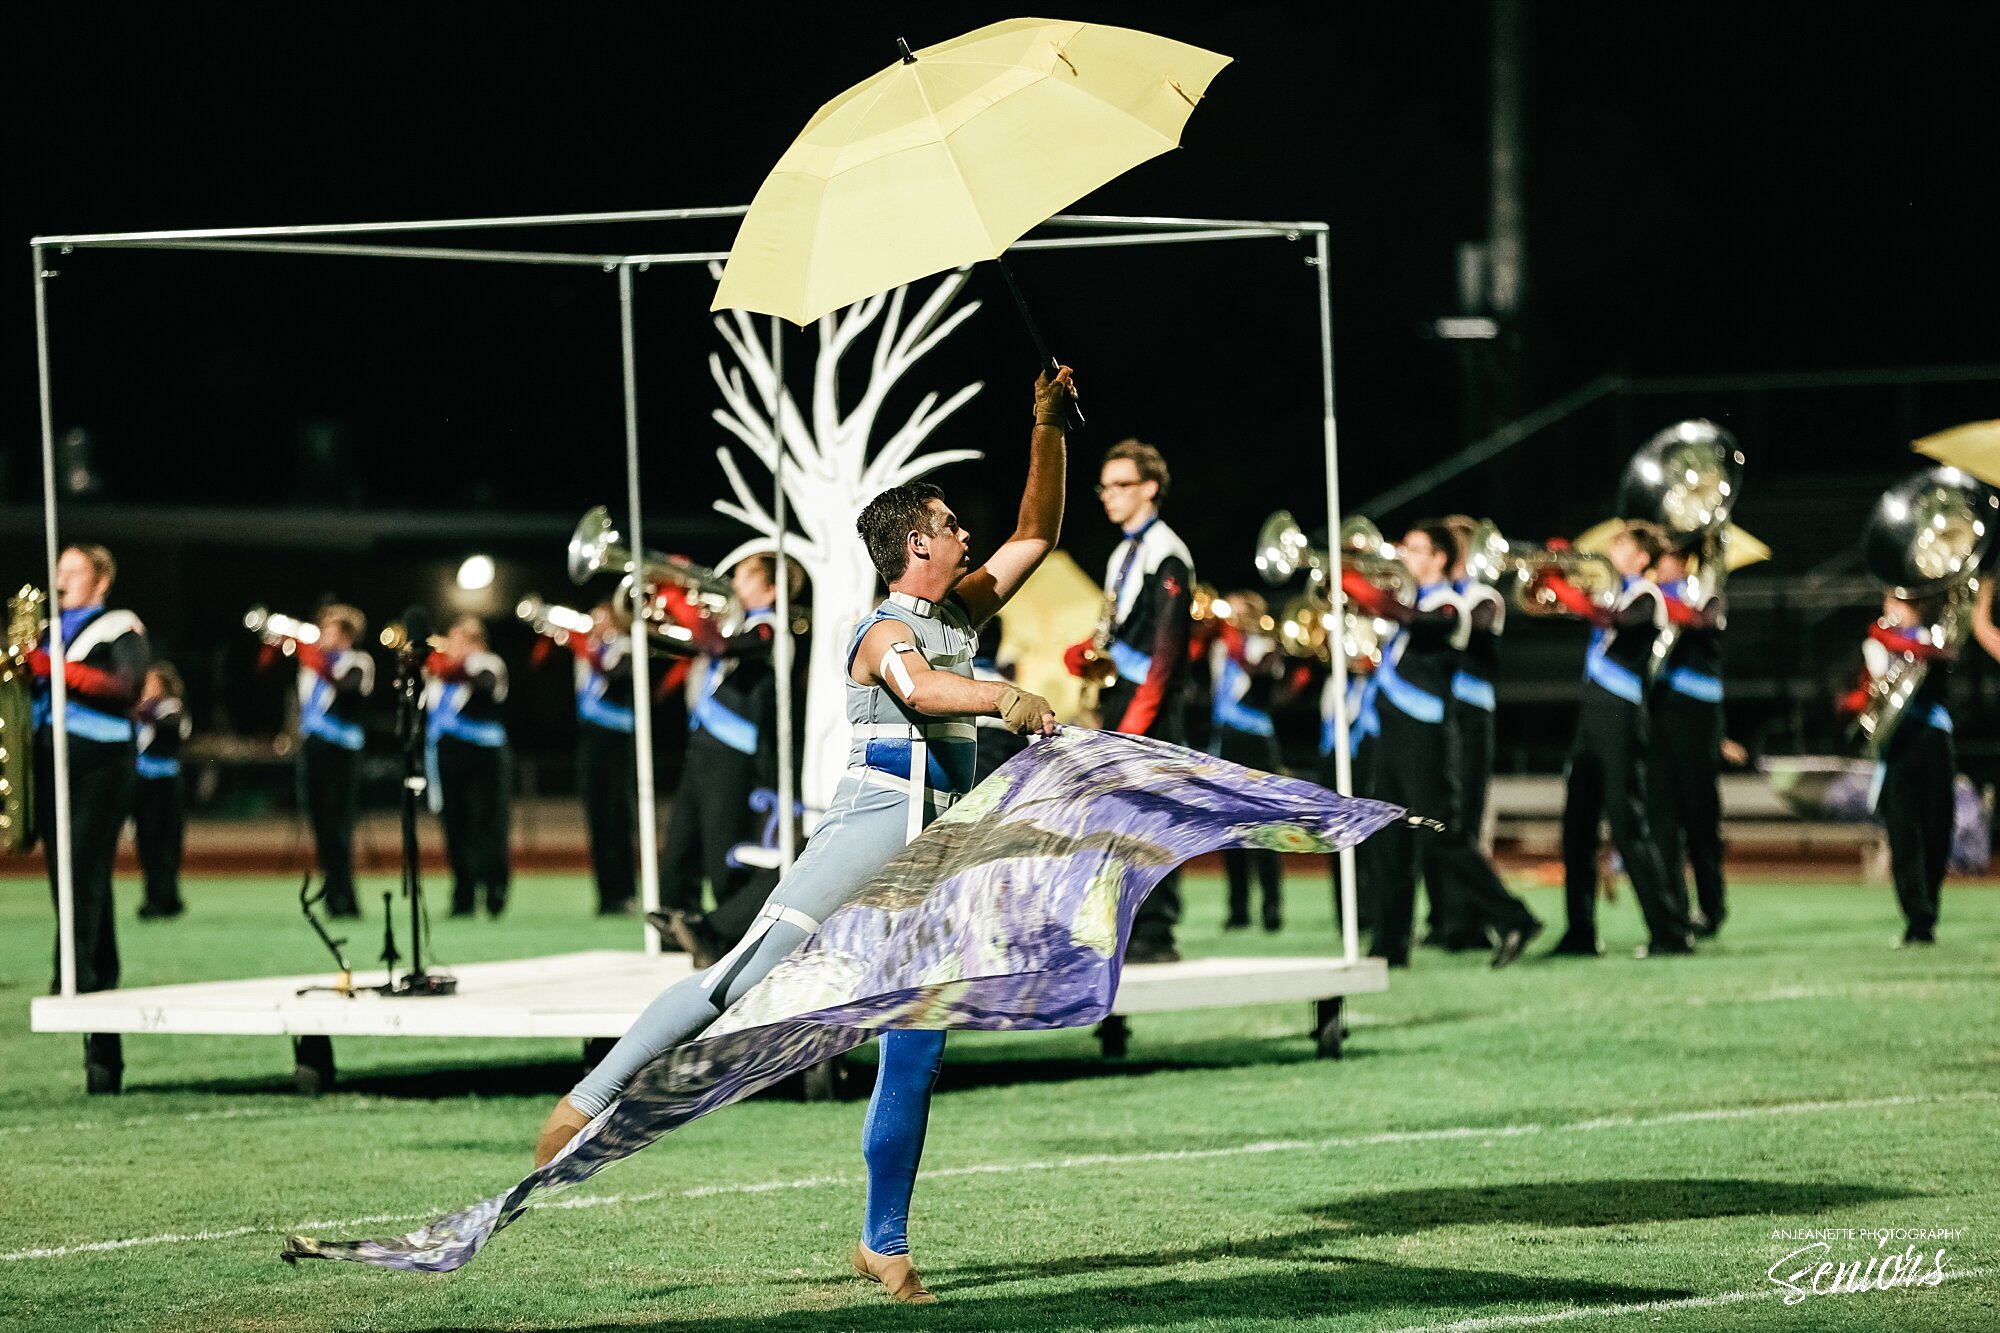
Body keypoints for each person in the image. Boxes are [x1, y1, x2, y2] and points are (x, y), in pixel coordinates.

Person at [533, 367, 1071, 1306]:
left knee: (918, 1045)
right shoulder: (883, 628)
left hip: (933, 854)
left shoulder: (959, 610)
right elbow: (926, 692)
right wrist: (1004, 695)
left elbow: (1039, 530)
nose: (966, 534)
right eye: (950, 525)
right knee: (740, 977)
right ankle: (589, 1098)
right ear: (916, 542)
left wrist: (1045, 425)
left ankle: (885, 1244)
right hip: (869, 831)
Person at [1338, 523, 1541, 968]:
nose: (1402, 554)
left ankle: (1513, 917)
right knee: (1390, 837)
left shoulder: (1451, 605)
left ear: (1439, 560)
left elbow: (1419, 621)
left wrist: (1358, 586)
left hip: (1426, 736)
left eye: (1414, 548)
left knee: (1440, 832)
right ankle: (1389, 946)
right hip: (1392, 731)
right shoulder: (1416, 603)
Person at [1535, 521, 1693, 957]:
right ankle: (1580, 932)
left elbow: (1611, 620)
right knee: (1577, 828)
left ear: (1642, 558)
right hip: (1592, 716)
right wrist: (1558, 574)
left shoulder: (1649, 596)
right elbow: (1587, 609)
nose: (1610, 547)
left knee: (1628, 826)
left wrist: (1565, 590)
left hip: (1622, 718)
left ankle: (1670, 930)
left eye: (1621, 543)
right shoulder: (1614, 591)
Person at [28, 542, 149, 1094]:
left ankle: (72, 975)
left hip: (102, 762)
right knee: (73, 882)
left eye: (73, 573)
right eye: (59, 572)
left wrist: (55, 670)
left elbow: (125, 688)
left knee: (82, 870)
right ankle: (102, 1035)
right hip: (50, 763)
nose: (62, 582)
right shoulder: (47, 630)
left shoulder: (118, 624)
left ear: (101, 580)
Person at [1067, 438, 1193, 963]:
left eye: (1121, 485)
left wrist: (1138, 720)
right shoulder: (1124, 551)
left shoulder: (1169, 551)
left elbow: (1167, 653)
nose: (1108, 496)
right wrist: (1092, 658)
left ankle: (1157, 933)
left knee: (1154, 819)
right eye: (1104, 486)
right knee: (1119, 820)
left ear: (1150, 488)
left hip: (1152, 709)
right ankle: (1126, 927)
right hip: (1124, 702)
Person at [650, 558, 786, 953]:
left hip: (735, 750)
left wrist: (679, 602)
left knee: (721, 848)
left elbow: (717, 645)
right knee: (680, 845)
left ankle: (728, 936)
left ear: (771, 589)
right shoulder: (736, 623)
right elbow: (696, 641)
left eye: (744, 575)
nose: (731, 581)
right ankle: (677, 925)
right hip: (704, 743)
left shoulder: (771, 627)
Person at [1841, 591, 1954, 946]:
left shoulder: (1931, 639)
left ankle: (1929, 910)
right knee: (1903, 833)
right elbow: (1861, 694)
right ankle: (1916, 919)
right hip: (1898, 744)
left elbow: (1943, 653)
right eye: (1888, 603)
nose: (1890, 610)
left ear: (1916, 608)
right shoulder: (1875, 645)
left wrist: (1893, 641)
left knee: (1937, 831)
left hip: (1933, 738)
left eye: (1899, 603)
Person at [1425, 513, 1509, 950]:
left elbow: (1464, 630)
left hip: (1471, 715)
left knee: (1465, 818)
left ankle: (1472, 922)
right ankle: (1443, 918)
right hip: (1439, 713)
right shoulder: (1435, 596)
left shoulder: (1483, 596)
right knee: (1435, 817)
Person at [1648, 540, 1730, 938]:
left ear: (1681, 561)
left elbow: (1701, 620)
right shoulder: (1650, 594)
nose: (1656, 567)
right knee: (1661, 814)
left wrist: (1659, 600)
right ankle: (1674, 910)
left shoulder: (1706, 591)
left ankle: (1712, 907)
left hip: (1697, 711)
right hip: (1658, 706)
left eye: (1661, 560)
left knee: (1700, 815)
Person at [540, 600, 639, 916]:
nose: (595, 625)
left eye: (601, 619)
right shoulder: (590, 647)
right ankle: (606, 895)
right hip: (590, 741)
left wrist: (584, 647)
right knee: (597, 817)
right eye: (593, 619)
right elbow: (542, 665)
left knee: (617, 816)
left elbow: (617, 676)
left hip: (618, 741)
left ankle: (625, 892)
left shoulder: (625, 645)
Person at [1208, 591, 1294, 931]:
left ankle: (1272, 909)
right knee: (1232, 831)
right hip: (1226, 741)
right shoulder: (1219, 649)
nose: (1228, 619)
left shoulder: (1266, 647)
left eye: (1236, 612)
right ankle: (1238, 910)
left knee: (1265, 829)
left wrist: (1238, 649)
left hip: (1257, 743)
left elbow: (1263, 685)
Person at [425, 616, 511, 918]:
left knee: (487, 824)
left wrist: (448, 666)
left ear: (475, 642)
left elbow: (486, 686)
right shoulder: (439, 675)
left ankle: (494, 889)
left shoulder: (488, 663)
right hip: (449, 753)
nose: (452, 647)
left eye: (459, 640)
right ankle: (463, 896)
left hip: (484, 754)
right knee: (455, 826)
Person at [292, 604, 373, 918]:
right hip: (314, 749)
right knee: (320, 825)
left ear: (346, 635)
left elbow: (347, 688)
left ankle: (345, 899)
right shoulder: (312, 666)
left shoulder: (359, 662)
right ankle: (333, 895)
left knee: (339, 826)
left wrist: (317, 663)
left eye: (330, 629)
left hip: (343, 752)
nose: (322, 634)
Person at [132, 662, 190, 920]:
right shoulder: (142, 712)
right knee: (146, 843)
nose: (148, 687)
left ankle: (168, 897)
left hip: (165, 784)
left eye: (153, 682)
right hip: (143, 783)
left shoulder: (172, 709)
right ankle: (153, 896)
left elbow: (172, 729)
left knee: (167, 843)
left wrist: (143, 712)